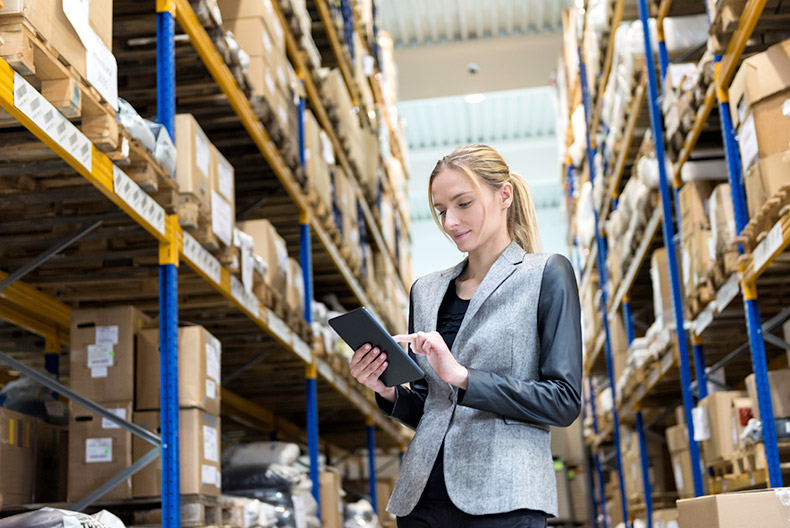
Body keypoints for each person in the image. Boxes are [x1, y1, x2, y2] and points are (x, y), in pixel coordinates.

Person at [349, 144, 582, 527]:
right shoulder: (425, 290)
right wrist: (388, 389)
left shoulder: (545, 275)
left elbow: (563, 401)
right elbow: (433, 407)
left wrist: (463, 377)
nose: (450, 222)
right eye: (441, 210)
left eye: (463, 204)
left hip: (505, 498)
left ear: (504, 194)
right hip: (422, 498)